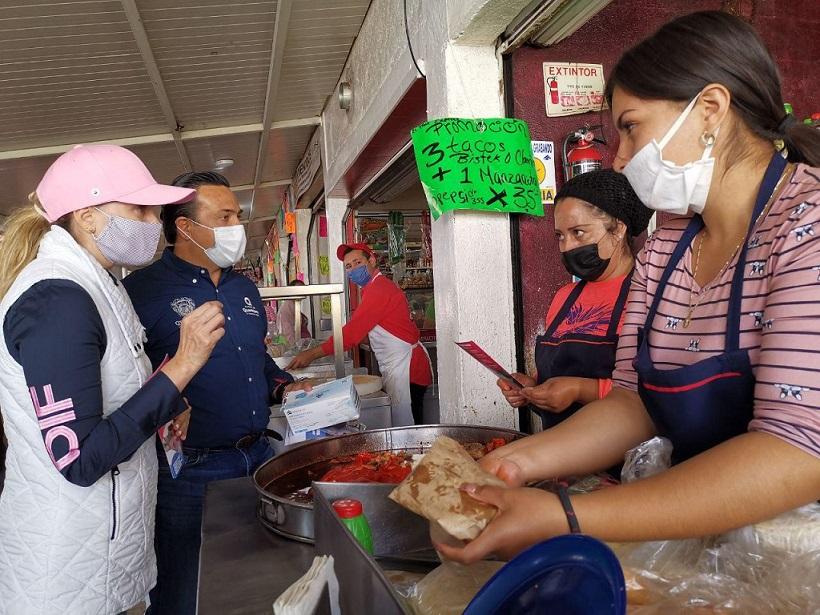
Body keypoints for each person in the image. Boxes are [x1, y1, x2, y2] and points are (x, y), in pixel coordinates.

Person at [437, 11, 820, 564]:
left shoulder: (804, 226)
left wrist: (565, 517)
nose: (619, 157)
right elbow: (631, 400)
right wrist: (514, 465)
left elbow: (798, 448)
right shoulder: (667, 243)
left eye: (631, 126)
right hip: (705, 553)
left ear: (710, 110)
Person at [0, 145, 224, 614]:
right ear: (87, 216)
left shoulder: (100, 284)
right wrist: (182, 367)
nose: (152, 219)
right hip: (68, 571)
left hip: (107, 553)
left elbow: (110, 392)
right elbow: (79, 458)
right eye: (138, 207)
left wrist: (168, 399)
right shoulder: (56, 299)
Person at [122, 171, 309, 615]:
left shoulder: (243, 287)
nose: (236, 226)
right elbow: (121, 377)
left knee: (256, 586)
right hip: (189, 473)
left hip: (258, 460)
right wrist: (166, 395)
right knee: (183, 593)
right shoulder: (138, 292)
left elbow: (256, 360)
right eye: (223, 216)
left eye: (237, 216)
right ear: (185, 227)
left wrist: (287, 386)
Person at [497, 169, 652, 431]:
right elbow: (551, 377)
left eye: (578, 232)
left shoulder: (647, 295)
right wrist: (532, 388)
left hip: (626, 459)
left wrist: (581, 389)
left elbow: (658, 391)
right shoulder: (564, 298)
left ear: (618, 230)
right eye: (560, 235)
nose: (567, 246)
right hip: (561, 457)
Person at [288, 243, 433, 425]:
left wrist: (312, 354)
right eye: (348, 266)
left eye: (357, 262)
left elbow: (351, 335)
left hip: (409, 369)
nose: (353, 269)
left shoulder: (379, 289)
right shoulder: (374, 288)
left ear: (371, 260)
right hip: (400, 366)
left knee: (410, 428)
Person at [277, 279, 312, 345]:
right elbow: (287, 331)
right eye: (298, 289)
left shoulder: (294, 305)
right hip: (295, 345)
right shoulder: (288, 307)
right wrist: (295, 347)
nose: (302, 292)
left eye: (303, 289)